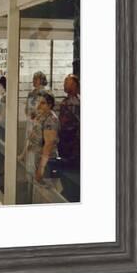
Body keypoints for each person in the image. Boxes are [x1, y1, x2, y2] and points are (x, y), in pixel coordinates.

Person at [18, 92, 60, 202]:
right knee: (35, 192)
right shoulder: (41, 116)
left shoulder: (51, 119)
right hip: (35, 160)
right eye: (38, 102)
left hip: (46, 164)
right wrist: (23, 155)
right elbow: (32, 137)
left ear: (50, 105)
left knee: (45, 196)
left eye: (43, 103)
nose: (38, 106)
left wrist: (41, 170)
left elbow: (48, 145)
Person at [58, 74, 80, 202]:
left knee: (69, 172)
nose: (64, 84)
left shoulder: (73, 103)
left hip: (71, 143)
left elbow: (72, 124)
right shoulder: (68, 101)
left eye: (67, 82)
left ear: (74, 85)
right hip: (66, 142)